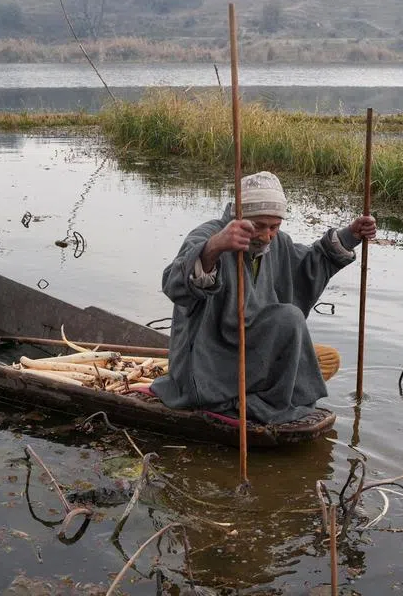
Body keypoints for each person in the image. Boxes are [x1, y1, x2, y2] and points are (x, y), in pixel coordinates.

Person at [151, 171, 376, 425]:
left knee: (327, 357)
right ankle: (247, 400)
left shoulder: (277, 244)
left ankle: (268, 387)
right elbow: (174, 285)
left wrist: (350, 235)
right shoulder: (210, 235)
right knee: (290, 321)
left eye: (274, 226)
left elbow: (308, 266)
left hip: (250, 353)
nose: (267, 235)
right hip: (209, 363)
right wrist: (215, 247)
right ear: (240, 217)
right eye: (259, 226)